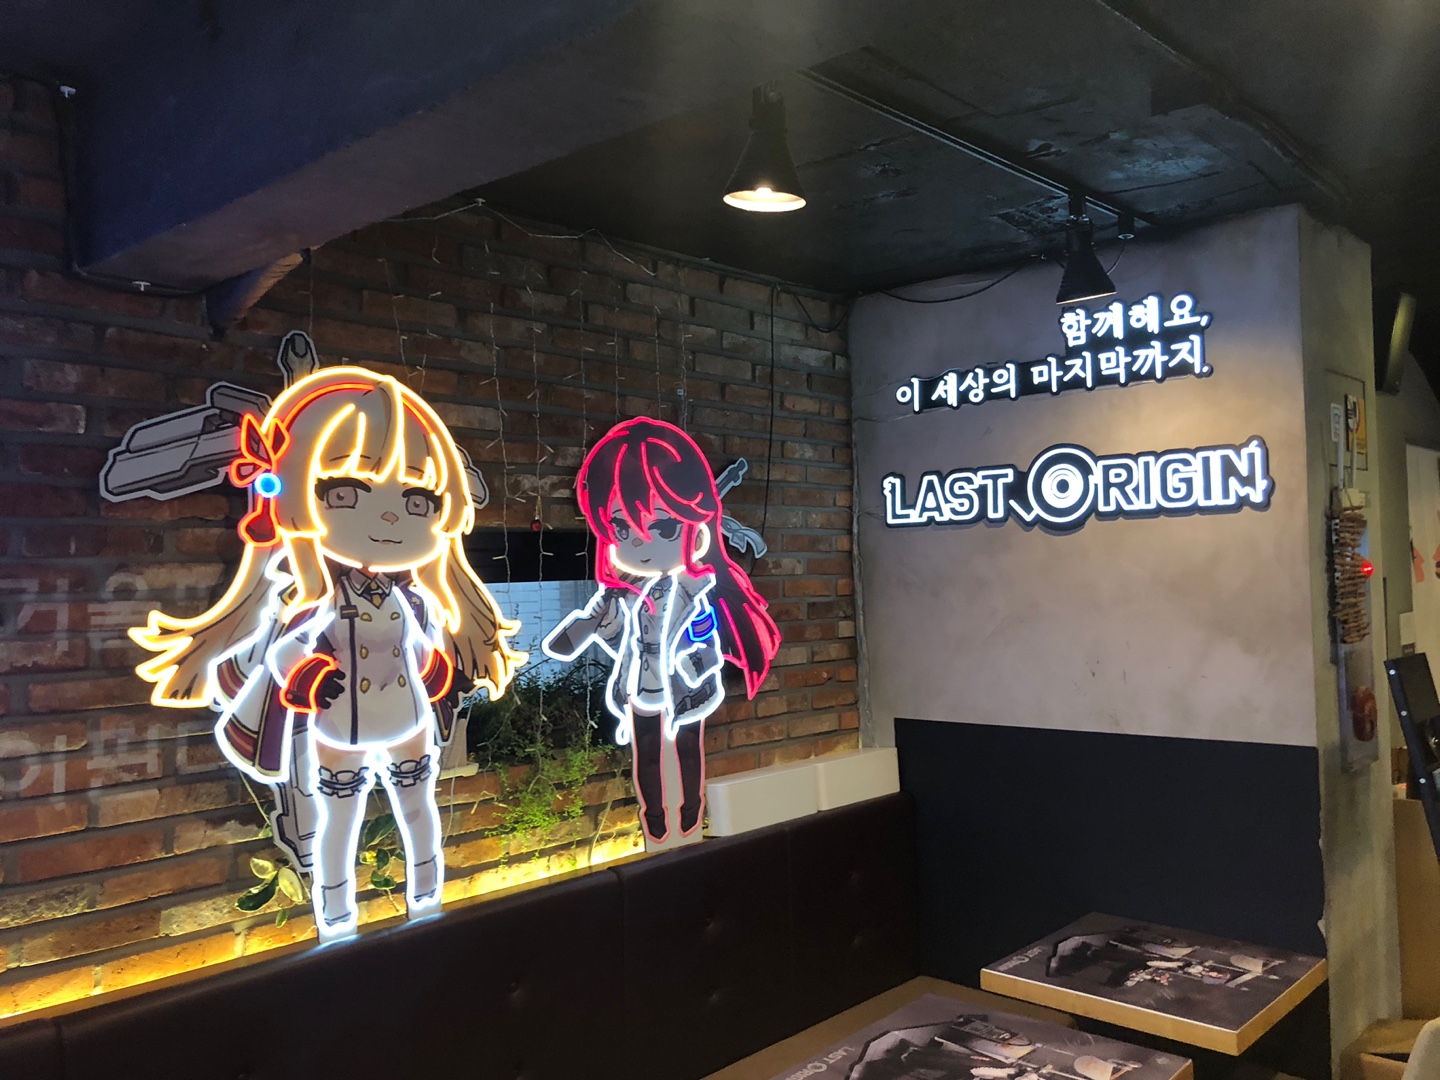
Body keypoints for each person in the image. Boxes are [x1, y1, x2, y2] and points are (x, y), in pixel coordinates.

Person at [130, 367, 524, 937]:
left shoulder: (408, 596)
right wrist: (307, 677)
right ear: (298, 495)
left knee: (419, 809)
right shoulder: (320, 598)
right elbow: (286, 651)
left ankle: (426, 901)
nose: (388, 516)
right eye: (346, 493)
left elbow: (416, 645)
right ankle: (337, 918)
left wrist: (437, 670)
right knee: (340, 819)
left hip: (407, 716)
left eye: (417, 500)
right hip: (341, 723)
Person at [543, 417, 780, 842]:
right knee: (647, 750)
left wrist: (689, 660)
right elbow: (612, 635)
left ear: (695, 526)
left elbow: (707, 642)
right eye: (622, 528)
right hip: (642, 682)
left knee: (688, 745)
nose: (641, 543)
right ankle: (654, 814)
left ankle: (690, 809)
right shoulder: (626, 591)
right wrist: (594, 629)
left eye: (664, 527)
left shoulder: (695, 589)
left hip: (686, 683)